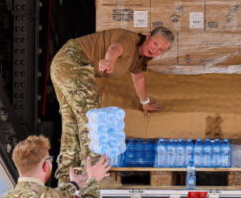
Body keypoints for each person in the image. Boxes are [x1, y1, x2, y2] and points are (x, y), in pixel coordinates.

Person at [50, 26, 173, 183]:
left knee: (71, 121)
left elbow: (139, 77)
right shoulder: (130, 40)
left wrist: (145, 102)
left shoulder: (139, 58)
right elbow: (115, 48)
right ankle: (92, 175)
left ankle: (66, 177)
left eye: (161, 50)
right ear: (148, 36)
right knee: (91, 115)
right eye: (155, 44)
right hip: (73, 60)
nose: (155, 50)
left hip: (63, 64)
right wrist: (109, 60)